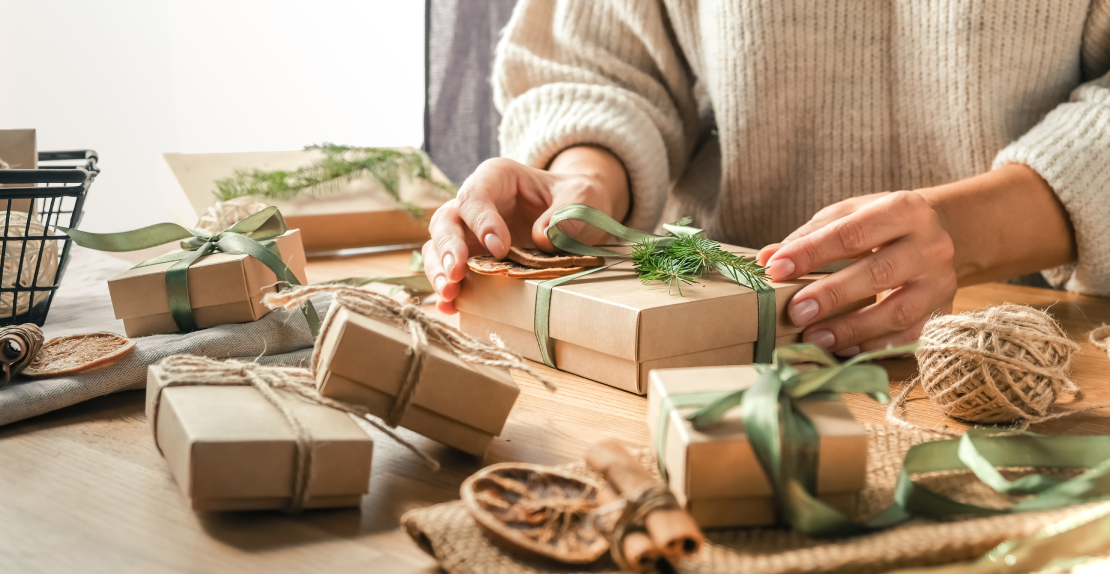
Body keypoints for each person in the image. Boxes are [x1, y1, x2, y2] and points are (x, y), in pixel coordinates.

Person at [423, 0, 1110, 357]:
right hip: (714, 352)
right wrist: (580, 182)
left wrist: (969, 231)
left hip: (1043, 358)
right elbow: (599, 58)